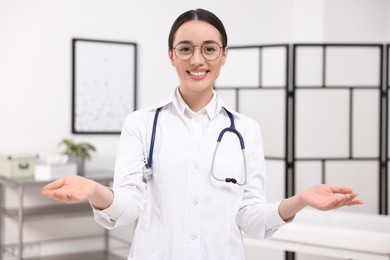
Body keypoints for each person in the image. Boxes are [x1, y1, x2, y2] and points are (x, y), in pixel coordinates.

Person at [41, 8, 363, 260]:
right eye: (185, 49)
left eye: (209, 49)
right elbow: (127, 207)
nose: (197, 60)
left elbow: (250, 218)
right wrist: (95, 191)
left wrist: (300, 200)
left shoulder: (246, 130)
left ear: (224, 55)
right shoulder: (141, 124)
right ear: (171, 56)